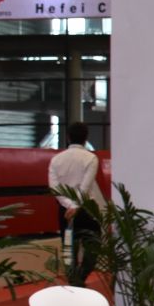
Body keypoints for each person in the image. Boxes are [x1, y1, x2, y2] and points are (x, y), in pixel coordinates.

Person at [48, 120, 104, 286]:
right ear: (86, 138)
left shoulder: (56, 160)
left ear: (67, 137)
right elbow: (85, 186)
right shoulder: (91, 158)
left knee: (68, 251)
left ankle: (75, 283)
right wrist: (75, 205)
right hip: (87, 210)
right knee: (93, 248)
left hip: (64, 211)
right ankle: (80, 279)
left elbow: (54, 187)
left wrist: (68, 205)